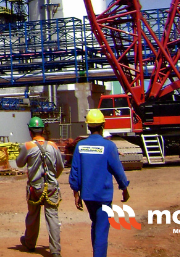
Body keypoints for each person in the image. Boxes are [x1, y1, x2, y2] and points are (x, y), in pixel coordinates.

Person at [69, 109, 131, 257]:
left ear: (88, 126)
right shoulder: (109, 146)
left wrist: (76, 193)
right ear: (103, 125)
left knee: (96, 225)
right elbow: (118, 170)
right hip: (103, 196)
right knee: (102, 229)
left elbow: (74, 172)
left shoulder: (80, 146)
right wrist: (124, 188)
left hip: (87, 195)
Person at [16, 117, 65, 257]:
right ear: (43, 131)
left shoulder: (27, 146)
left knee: (32, 216)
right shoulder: (53, 146)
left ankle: (30, 243)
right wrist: (53, 178)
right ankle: (55, 250)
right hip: (51, 188)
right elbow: (60, 166)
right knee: (53, 217)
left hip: (35, 188)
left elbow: (19, 163)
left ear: (30, 132)